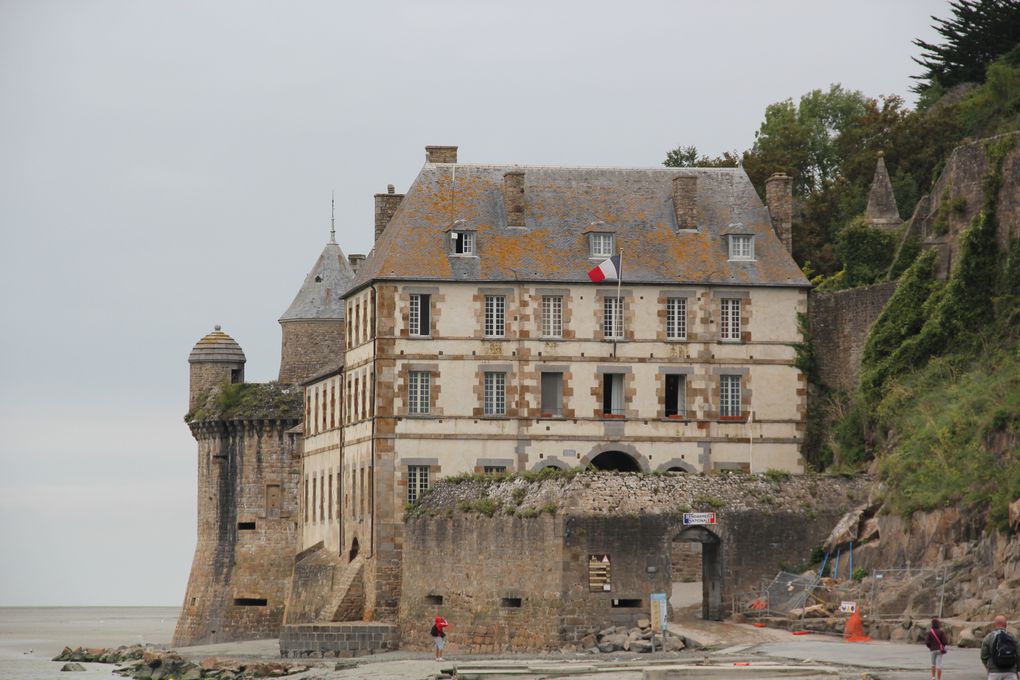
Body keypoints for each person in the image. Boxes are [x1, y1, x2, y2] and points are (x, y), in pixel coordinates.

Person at [980, 615, 1019, 680]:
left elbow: (983, 656)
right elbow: (1018, 655)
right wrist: (1017, 670)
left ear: (994, 624)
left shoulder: (988, 637)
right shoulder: (1012, 637)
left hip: (994, 672)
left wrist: (988, 668)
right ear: (1006, 624)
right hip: (1011, 672)